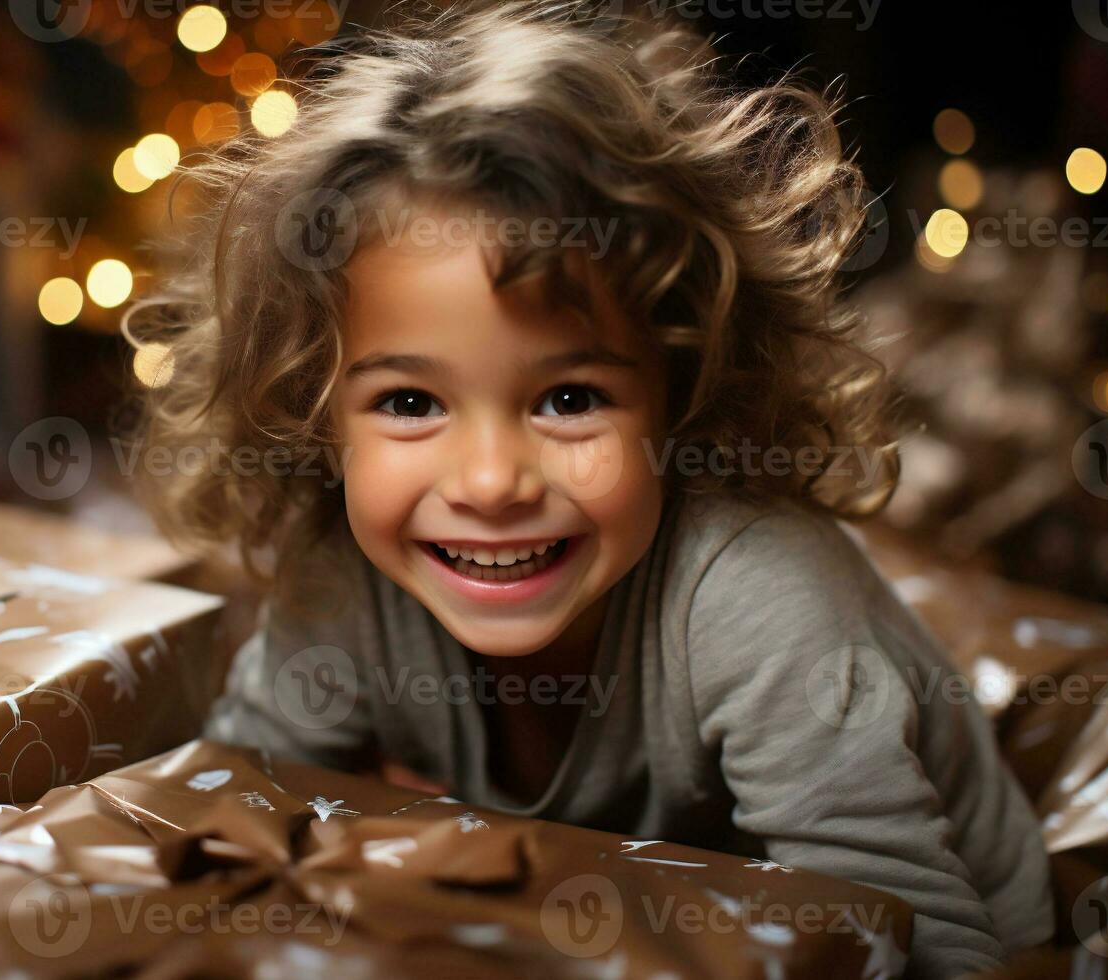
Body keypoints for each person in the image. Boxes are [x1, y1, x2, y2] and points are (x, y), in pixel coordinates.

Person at [127, 3, 1054, 975]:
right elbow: (233, 806)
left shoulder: (756, 599)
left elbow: (921, 938)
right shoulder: (339, 574)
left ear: (680, 391)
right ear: (315, 413)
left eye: (569, 398)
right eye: (409, 400)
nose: (489, 481)